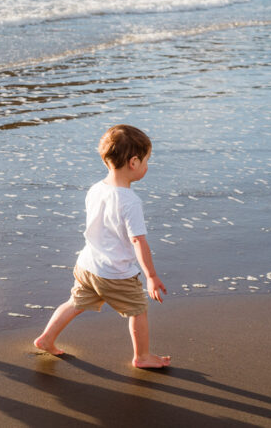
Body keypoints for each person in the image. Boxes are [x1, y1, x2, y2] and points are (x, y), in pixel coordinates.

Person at [34, 124, 171, 368]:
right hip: (116, 273)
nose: (147, 166)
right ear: (134, 162)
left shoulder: (95, 189)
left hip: (87, 265)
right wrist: (151, 276)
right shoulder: (130, 201)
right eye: (147, 161)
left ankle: (46, 339)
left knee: (74, 303)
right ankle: (142, 356)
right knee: (138, 310)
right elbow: (138, 240)